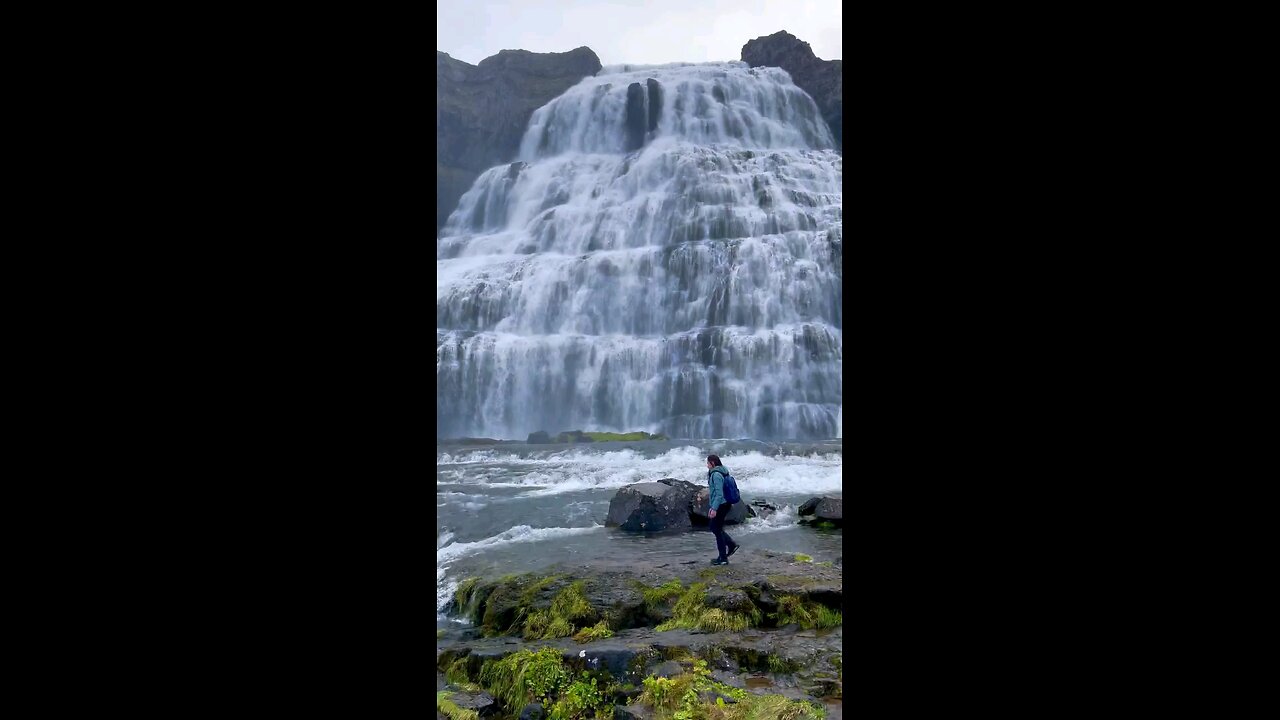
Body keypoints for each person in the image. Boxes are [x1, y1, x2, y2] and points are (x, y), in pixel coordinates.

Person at [706, 454, 740, 565]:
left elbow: (719, 494)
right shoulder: (722, 471)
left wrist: (714, 508)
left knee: (716, 529)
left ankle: (723, 558)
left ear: (712, 463)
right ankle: (730, 546)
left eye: (708, 463)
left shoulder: (716, 474)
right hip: (723, 504)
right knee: (716, 528)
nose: (706, 465)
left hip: (721, 505)